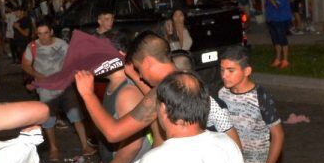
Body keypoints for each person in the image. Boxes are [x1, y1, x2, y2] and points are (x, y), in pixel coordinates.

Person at [74, 32, 240, 148]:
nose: (141, 76)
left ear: (146, 62)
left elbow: (113, 133)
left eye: (139, 69)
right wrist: (132, 72)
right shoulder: (184, 78)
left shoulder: (169, 89)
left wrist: (88, 94)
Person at [22, 21, 95, 160]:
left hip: (64, 86)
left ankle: (85, 146)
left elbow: (73, 61)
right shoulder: (32, 46)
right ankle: (53, 148)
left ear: (51, 32)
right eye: (39, 34)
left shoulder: (62, 45)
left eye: (45, 33)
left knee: (76, 116)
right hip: (46, 88)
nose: (43, 37)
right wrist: (38, 75)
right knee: (49, 120)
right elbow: (25, 65)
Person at [264, 0, 292, 69]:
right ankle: (278, 58)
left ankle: (285, 60)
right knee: (276, 40)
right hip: (273, 19)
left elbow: (277, 5)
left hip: (281, 19)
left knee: (282, 39)